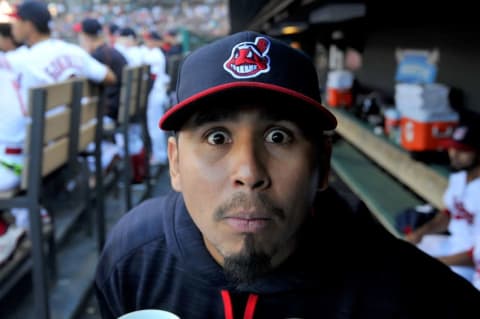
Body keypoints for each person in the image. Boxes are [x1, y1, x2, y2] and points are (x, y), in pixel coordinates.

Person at [95, 31, 480, 319]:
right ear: (175, 163)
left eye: (279, 136)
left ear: (324, 165)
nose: (248, 173)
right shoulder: (132, 260)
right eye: (217, 137)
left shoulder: (407, 292)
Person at [405, 123, 480, 282]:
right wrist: (421, 232)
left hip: (469, 262)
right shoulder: (459, 176)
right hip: (451, 243)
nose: (454, 154)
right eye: (453, 147)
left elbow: (476, 256)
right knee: (403, 256)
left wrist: (437, 263)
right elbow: (449, 213)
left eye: (463, 151)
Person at [76, 17, 128, 121]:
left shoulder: (98, 56)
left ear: (85, 36)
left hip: (109, 113)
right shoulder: (110, 51)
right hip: (120, 107)